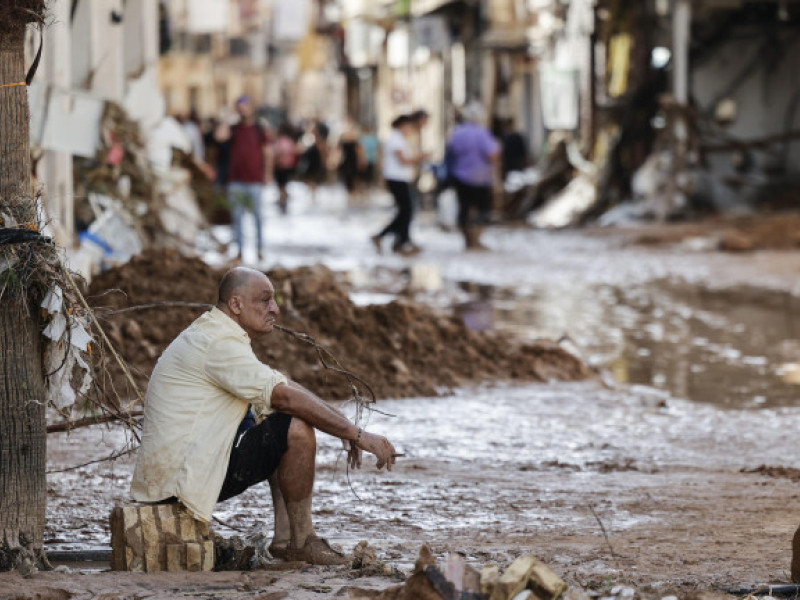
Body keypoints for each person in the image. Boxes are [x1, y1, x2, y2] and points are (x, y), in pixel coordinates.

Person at [130, 267, 398, 565]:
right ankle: (301, 541)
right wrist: (356, 435)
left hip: (174, 476)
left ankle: (284, 541)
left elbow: (283, 386)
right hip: (179, 483)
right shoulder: (218, 343)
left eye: (274, 300)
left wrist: (345, 428)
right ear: (236, 305)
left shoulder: (216, 333)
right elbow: (285, 396)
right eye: (265, 300)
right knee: (294, 426)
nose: (276, 309)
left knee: (279, 420)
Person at [371, 114, 428, 256]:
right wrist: (420, 157)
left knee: (405, 211)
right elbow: (403, 160)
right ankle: (384, 236)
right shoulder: (395, 139)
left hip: (400, 178)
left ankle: (401, 241)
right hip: (396, 179)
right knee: (405, 211)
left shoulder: (400, 139)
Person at [446, 102, 500, 250]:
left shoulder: (457, 132)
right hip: (480, 178)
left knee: (464, 208)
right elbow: (492, 155)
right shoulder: (482, 133)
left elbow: (452, 152)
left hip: (460, 176)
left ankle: (467, 241)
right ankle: (476, 240)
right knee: (483, 209)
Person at [225, 95, 272, 261]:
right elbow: (219, 137)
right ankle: (239, 251)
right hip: (236, 181)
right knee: (237, 218)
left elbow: (267, 153)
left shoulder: (260, 129)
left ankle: (259, 249)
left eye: (245, 106)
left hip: (255, 181)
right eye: (240, 106)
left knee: (258, 217)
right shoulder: (232, 129)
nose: (243, 109)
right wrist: (227, 117)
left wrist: (267, 173)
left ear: (251, 108)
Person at [273, 122, 299, 215]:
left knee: (281, 185)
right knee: (283, 185)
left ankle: (283, 199)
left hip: (281, 166)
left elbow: (277, 152)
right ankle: (283, 198)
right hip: (287, 166)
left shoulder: (280, 141)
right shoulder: (289, 141)